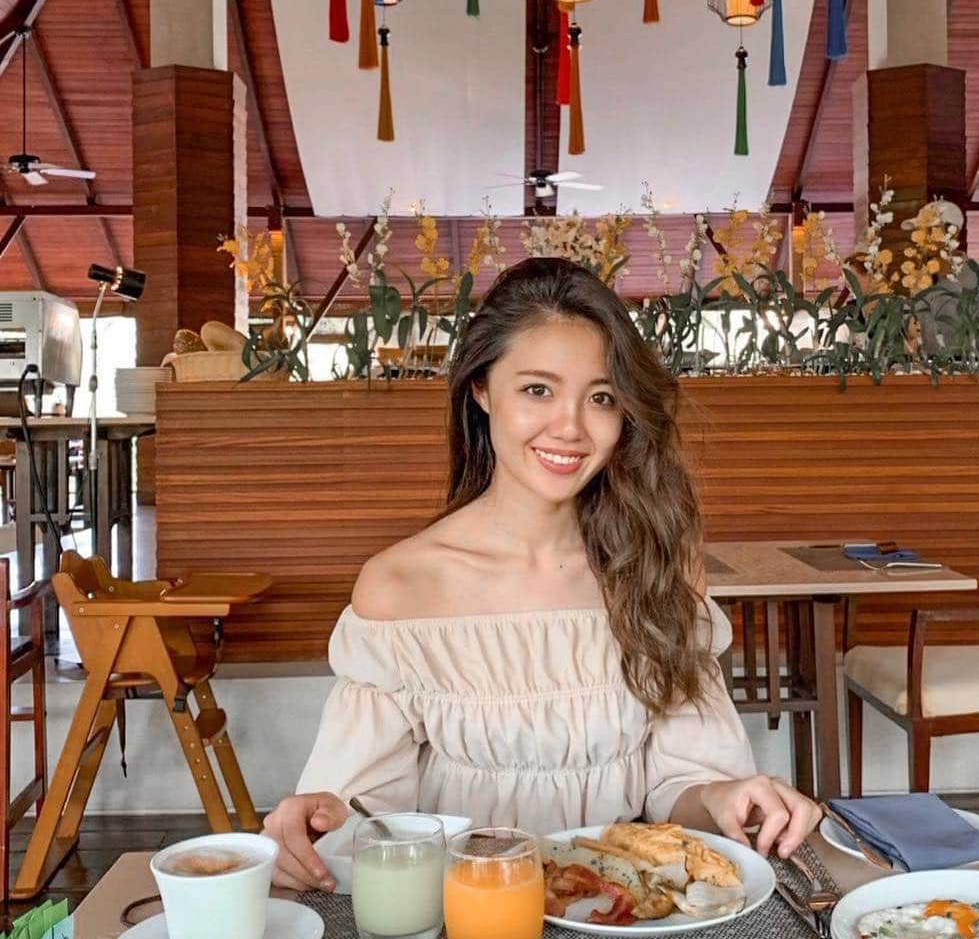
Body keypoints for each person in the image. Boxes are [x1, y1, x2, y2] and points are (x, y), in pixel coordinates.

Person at [264, 258, 821, 890]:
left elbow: (680, 790)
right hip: (461, 931)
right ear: (481, 390)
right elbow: (364, 814)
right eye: (537, 390)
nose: (571, 428)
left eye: (602, 398)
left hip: (622, 919)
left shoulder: (659, 567)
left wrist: (725, 795)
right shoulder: (400, 586)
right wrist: (321, 817)